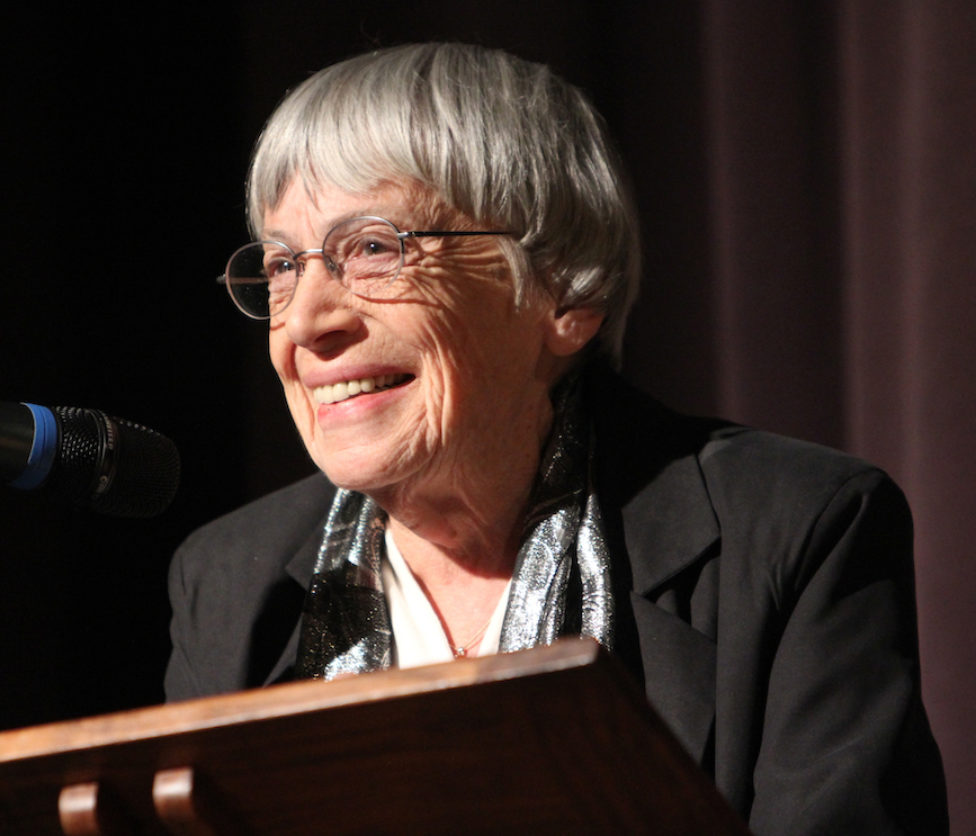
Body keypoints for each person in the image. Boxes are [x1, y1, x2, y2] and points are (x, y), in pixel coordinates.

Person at [164, 43, 946, 833]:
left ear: (565, 288)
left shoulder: (790, 532)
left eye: (372, 249)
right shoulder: (230, 580)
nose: (305, 322)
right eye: (283, 266)